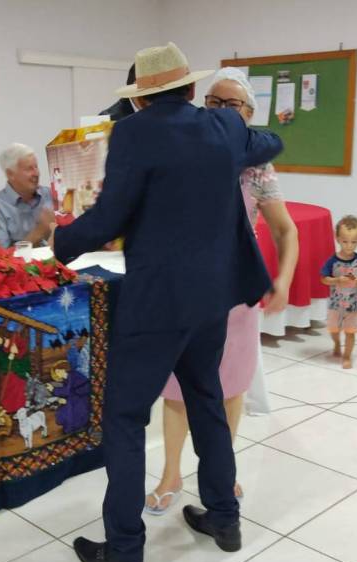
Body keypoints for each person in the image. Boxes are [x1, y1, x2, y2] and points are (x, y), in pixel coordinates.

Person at [50, 42, 282, 562]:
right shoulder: (224, 127)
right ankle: (224, 519)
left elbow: (109, 217)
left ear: (139, 99)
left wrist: (60, 242)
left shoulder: (133, 132)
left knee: (126, 418)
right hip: (212, 301)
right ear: (192, 88)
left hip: (156, 303)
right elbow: (272, 139)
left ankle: (125, 551)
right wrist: (241, 129)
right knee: (207, 402)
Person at [144, 66, 299, 516]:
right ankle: (170, 475)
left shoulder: (257, 166)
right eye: (212, 102)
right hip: (184, 291)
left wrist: (283, 280)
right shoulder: (182, 153)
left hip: (234, 292)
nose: (218, 111)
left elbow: (286, 231)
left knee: (231, 386)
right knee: (177, 388)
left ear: (248, 114)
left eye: (231, 105)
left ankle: (221, 473)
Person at [320, 217, 357, 369]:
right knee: (334, 330)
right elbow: (323, 279)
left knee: (350, 332)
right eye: (345, 241)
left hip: (353, 306)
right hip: (335, 305)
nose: (349, 246)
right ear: (337, 238)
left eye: (354, 242)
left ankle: (347, 356)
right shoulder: (332, 261)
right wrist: (337, 280)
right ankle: (337, 343)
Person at [0, 143, 56, 248]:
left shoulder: (50, 194)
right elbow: (2, 256)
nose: (36, 173)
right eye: (29, 169)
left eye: (36, 167)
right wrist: (40, 231)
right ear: (10, 174)